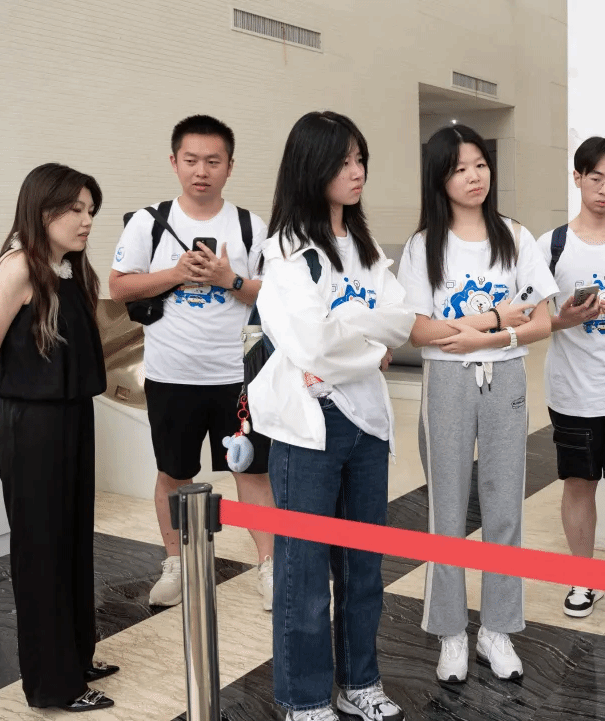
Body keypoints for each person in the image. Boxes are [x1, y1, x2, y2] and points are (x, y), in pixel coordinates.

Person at [248, 111, 414, 721]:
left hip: (368, 425)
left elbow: (400, 319)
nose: (356, 171)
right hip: (310, 424)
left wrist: (356, 334)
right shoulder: (287, 251)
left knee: (363, 569)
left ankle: (359, 683)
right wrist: (370, 348)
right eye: (343, 161)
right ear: (310, 167)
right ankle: (306, 698)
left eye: (359, 158)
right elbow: (313, 344)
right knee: (304, 571)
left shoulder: (366, 248)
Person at [397, 124, 557, 684]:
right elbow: (416, 330)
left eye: (481, 165)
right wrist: (489, 320)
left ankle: (497, 629)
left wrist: (487, 338)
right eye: (460, 168)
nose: (474, 176)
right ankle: (450, 631)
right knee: (446, 508)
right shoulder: (423, 245)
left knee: (504, 505)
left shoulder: (516, 236)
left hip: (505, 374)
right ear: (439, 178)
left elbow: (540, 320)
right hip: (446, 379)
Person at [108, 115, 275, 609]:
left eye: (213, 161)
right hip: (171, 375)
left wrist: (228, 279)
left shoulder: (250, 225)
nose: (201, 171)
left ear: (230, 167)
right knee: (173, 474)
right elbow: (119, 287)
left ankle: (269, 565)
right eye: (191, 160)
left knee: (253, 473)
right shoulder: (150, 221)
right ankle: (176, 562)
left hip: (238, 377)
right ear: (174, 162)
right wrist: (176, 273)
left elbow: (273, 295)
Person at [0, 163, 116, 712]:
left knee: (72, 539)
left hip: (72, 417)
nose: (86, 220)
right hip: (32, 424)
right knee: (42, 550)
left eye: (90, 210)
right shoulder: (17, 267)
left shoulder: (68, 268)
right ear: (42, 207)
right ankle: (53, 685)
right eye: (74, 209)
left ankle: (75, 656)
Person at [536, 135, 605, 636]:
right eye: (596, 178)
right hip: (571, 391)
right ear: (577, 178)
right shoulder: (552, 245)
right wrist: (564, 318)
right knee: (577, 484)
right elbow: (531, 318)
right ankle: (583, 579)